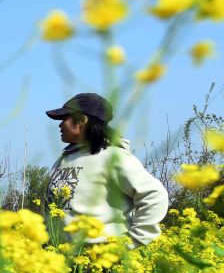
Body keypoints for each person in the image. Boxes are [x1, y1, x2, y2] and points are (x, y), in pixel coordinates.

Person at [44, 93, 168, 246]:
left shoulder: (113, 157)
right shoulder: (63, 160)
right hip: (62, 259)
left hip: (100, 260)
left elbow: (155, 195)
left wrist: (133, 241)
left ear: (82, 120)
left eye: (65, 119)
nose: (60, 125)